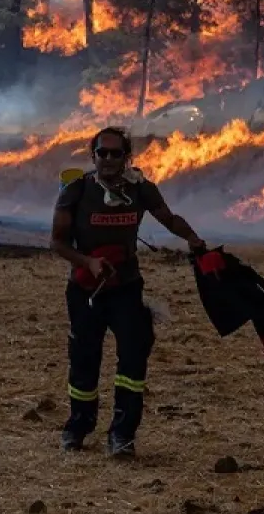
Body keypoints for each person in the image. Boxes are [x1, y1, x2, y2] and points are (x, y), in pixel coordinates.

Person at [51, 126, 207, 457]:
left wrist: (192, 239)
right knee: (84, 358)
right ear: (92, 156)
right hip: (85, 289)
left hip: (126, 288)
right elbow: (57, 241)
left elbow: (169, 218)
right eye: (101, 153)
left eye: (115, 153)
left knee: (134, 357)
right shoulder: (76, 191)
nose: (108, 159)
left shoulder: (141, 189)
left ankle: (122, 434)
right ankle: (77, 427)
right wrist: (87, 262)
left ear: (127, 157)